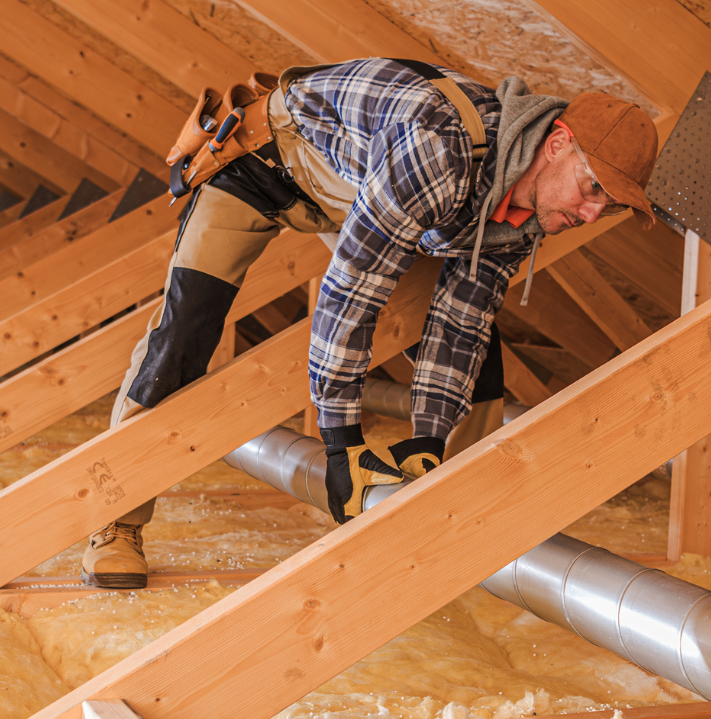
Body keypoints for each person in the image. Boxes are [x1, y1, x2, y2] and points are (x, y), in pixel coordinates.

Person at [81, 57, 659, 588]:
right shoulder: (442, 146)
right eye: (593, 191)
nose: (589, 215)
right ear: (557, 143)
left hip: (355, 192)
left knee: (479, 354)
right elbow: (353, 289)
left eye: (607, 208)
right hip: (261, 165)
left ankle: (448, 514)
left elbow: (460, 322)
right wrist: (341, 444)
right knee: (184, 333)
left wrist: (425, 441)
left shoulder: (527, 211)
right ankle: (115, 520)